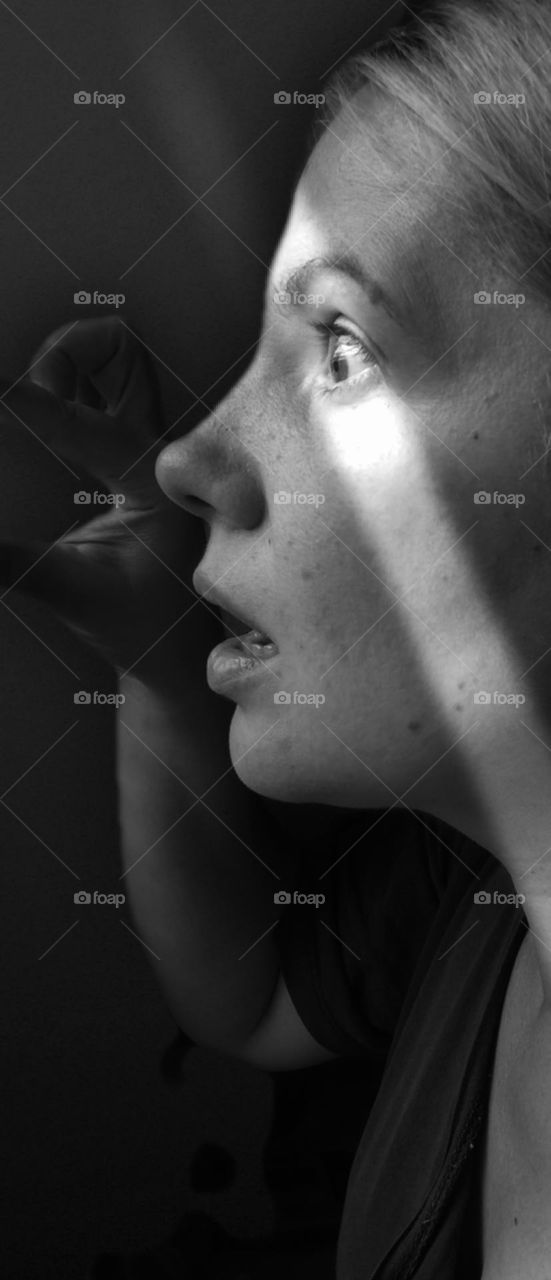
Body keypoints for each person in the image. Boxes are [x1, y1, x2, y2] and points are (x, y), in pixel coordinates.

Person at [2, 0, 551, 1274]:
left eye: (342, 345)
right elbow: (247, 996)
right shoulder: (474, 889)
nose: (193, 456)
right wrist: (159, 671)